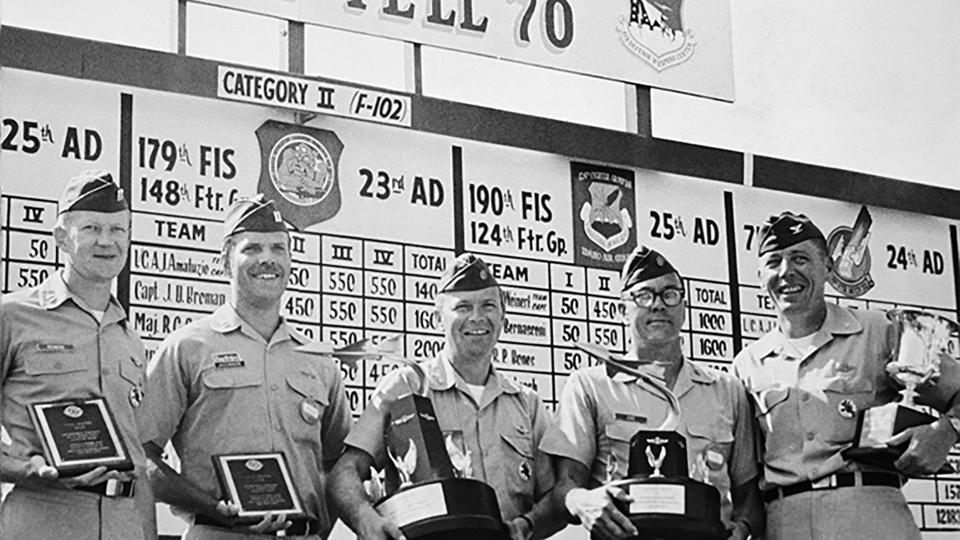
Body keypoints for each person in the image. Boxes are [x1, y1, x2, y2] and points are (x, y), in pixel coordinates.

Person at [733, 211, 960, 540]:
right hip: (784, 523)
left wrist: (947, 430)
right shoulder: (746, 366)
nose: (786, 272)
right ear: (758, 276)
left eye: (800, 258)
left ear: (827, 267)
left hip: (870, 517)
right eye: (774, 262)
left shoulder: (881, 331)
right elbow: (746, 478)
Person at [137, 194, 352, 539]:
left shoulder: (318, 360)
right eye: (252, 248)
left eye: (278, 249)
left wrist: (320, 525)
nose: (267, 260)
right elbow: (141, 458)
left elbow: (339, 466)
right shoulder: (188, 347)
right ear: (225, 261)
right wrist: (213, 506)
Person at [329, 253, 561, 540]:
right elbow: (345, 472)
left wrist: (526, 526)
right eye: (463, 307)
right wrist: (368, 523)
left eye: (488, 305)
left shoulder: (528, 405)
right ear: (438, 319)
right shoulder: (406, 387)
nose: (477, 317)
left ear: (504, 318)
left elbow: (556, 496)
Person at [542, 246, 762, 540]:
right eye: (644, 296)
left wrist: (743, 529)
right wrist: (584, 502)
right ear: (623, 310)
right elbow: (564, 487)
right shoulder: (589, 386)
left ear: (684, 307)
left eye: (670, 294)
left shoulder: (727, 390)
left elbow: (749, 495)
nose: (658, 305)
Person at [0, 171, 156, 540]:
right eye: (91, 228)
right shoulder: (13, 317)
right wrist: (22, 468)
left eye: (118, 230)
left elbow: (138, 456)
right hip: (41, 518)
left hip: (123, 524)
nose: (107, 241)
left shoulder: (129, 339)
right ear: (61, 239)